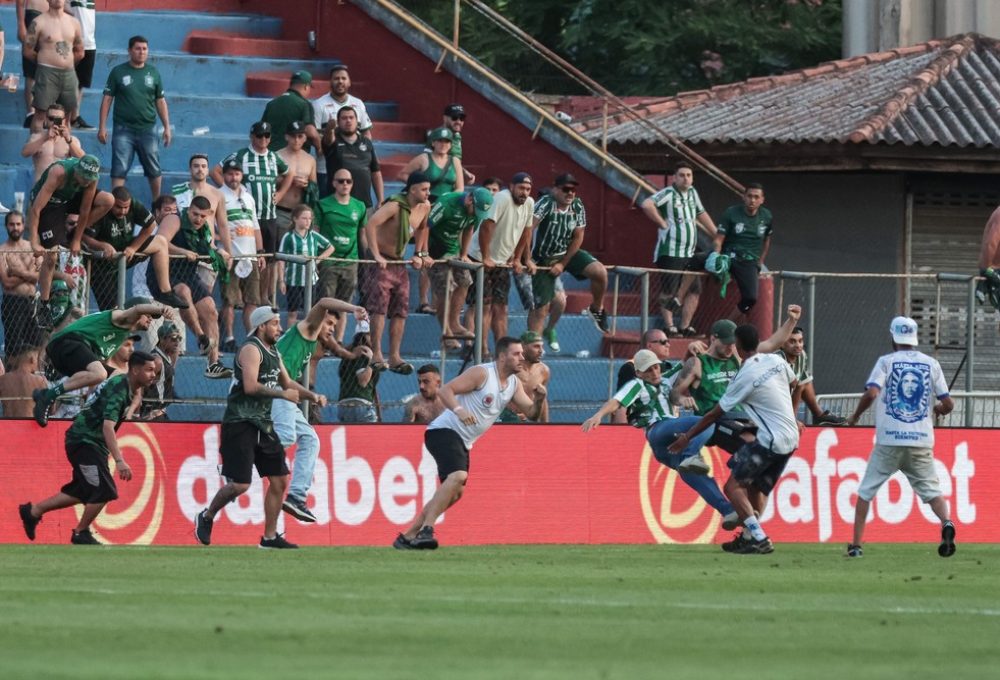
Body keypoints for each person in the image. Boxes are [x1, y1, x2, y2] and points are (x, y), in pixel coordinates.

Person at [394, 337, 546, 550]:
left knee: (455, 493)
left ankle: (408, 536)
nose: (522, 357)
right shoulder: (482, 373)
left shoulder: (513, 384)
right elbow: (446, 390)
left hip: (464, 441)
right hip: (443, 431)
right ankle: (427, 530)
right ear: (502, 356)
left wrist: (539, 400)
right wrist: (460, 411)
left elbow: (531, 414)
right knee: (458, 476)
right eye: (516, 353)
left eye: (522, 353)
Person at [194, 306, 324, 550]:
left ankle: (270, 537)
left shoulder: (273, 350)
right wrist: (283, 394)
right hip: (240, 421)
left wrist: (312, 396)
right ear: (262, 325)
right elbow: (251, 387)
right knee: (241, 485)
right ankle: (207, 515)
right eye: (275, 323)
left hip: (263, 424)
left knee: (279, 481)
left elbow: (287, 382)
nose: (280, 328)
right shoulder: (251, 349)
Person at [669, 324, 800, 554]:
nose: (730, 347)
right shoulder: (776, 361)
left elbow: (714, 414)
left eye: (733, 343)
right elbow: (795, 383)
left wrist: (687, 437)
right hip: (790, 438)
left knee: (732, 487)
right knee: (757, 487)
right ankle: (749, 536)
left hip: (767, 438)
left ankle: (758, 536)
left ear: (738, 344)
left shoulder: (744, 374)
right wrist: (788, 413)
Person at [584, 348, 739, 530]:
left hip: (666, 448)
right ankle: (690, 455)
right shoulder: (637, 385)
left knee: (695, 476)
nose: (655, 372)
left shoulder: (667, 379)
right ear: (639, 373)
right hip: (658, 429)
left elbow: (685, 365)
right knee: (706, 421)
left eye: (656, 367)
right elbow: (617, 401)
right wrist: (599, 415)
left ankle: (728, 510)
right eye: (649, 370)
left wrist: (692, 349)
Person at [18, 350, 159, 545]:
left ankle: (33, 511)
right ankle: (80, 532)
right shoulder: (120, 390)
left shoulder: (125, 385)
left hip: (86, 441)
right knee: (104, 491)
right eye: (149, 370)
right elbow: (107, 427)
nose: (154, 374)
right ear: (135, 370)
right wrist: (119, 460)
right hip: (85, 441)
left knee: (81, 492)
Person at [845, 316, 956, 558]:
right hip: (921, 440)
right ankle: (946, 522)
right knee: (932, 492)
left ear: (893, 337)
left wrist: (855, 416)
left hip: (889, 440)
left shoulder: (886, 362)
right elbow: (948, 403)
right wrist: (937, 410)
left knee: (866, 492)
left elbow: (872, 392)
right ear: (914, 338)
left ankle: (856, 546)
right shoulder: (931, 364)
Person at [274, 297, 366, 521]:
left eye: (334, 325)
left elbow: (287, 380)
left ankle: (296, 496)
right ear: (318, 320)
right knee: (286, 436)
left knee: (310, 439)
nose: (332, 329)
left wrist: (311, 395)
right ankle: (239, 458)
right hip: (271, 387)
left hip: (282, 389)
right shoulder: (307, 329)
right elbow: (324, 301)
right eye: (330, 324)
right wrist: (354, 308)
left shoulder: (312, 342)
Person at [32, 297, 174, 426]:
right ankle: (48, 395)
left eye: (151, 316)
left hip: (69, 353)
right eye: (147, 315)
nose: (150, 319)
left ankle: (93, 413)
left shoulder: (120, 336)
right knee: (99, 373)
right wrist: (161, 310)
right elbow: (137, 309)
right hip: (66, 342)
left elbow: (100, 372)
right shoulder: (121, 317)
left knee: (120, 377)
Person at [27, 154, 113, 328]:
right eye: (83, 178)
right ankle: (43, 304)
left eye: (89, 180)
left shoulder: (89, 179)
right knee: (51, 256)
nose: (86, 182)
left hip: (68, 200)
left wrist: (77, 239)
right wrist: (34, 240)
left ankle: (71, 234)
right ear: (77, 171)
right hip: (49, 205)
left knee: (108, 200)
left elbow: (85, 209)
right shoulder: (58, 172)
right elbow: (36, 209)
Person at [213, 122, 293, 303]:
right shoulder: (241, 155)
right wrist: (228, 191)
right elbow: (216, 170)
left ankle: (263, 295)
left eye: (267, 135)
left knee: (267, 259)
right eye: (259, 135)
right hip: (245, 218)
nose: (263, 139)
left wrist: (280, 194)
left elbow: (289, 174)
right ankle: (239, 296)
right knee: (244, 254)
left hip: (269, 215)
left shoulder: (274, 157)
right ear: (251, 136)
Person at [152, 195, 231, 378]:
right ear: (188, 210)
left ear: (208, 215)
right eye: (195, 214)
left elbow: (207, 247)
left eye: (203, 216)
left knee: (210, 308)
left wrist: (219, 251)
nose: (198, 219)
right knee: (184, 292)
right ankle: (201, 338)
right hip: (164, 273)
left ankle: (213, 364)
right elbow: (160, 242)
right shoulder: (175, 219)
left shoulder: (203, 228)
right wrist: (183, 252)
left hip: (187, 274)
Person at [671, 308, 801, 418]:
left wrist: (792, 321)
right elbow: (674, 393)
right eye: (726, 343)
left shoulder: (736, 356)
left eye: (733, 343)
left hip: (741, 417)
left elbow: (772, 344)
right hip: (712, 421)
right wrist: (683, 399)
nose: (730, 347)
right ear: (713, 339)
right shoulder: (697, 363)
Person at [364, 172, 433, 374]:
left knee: (401, 310)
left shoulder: (425, 207)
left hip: (399, 263)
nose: (428, 193)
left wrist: (420, 253)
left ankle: (394, 356)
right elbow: (371, 224)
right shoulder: (394, 205)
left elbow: (422, 228)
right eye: (424, 189)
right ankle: (376, 354)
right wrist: (376, 254)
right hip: (382, 262)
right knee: (379, 308)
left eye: (428, 189)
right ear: (412, 189)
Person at [641, 163, 718, 337]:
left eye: (689, 175)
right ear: (675, 177)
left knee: (694, 290)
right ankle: (670, 326)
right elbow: (647, 204)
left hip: (690, 252)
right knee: (670, 290)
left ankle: (684, 326)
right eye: (682, 175)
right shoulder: (668, 193)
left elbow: (701, 213)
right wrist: (661, 223)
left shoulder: (692, 193)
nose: (686, 179)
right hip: (670, 252)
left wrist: (715, 233)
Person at [81, 186, 187, 311]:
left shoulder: (134, 205)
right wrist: (102, 245)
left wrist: (133, 247)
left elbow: (151, 225)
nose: (123, 211)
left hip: (125, 251)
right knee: (113, 311)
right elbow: (83, 235)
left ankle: (166, 293)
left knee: (161, 242)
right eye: (119, 207)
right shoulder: (103, 210)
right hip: (103, 263)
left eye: (126, 207)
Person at [529, 173, 610, 334]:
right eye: (566, 189)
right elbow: (528, 229)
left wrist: (563, 263)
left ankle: (596, 309)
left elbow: (579, 235)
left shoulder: (577, 205)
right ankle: (532, 348)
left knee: (600, 272)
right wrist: (525, 258)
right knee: (541, 309)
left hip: (566, 252)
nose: (570, 193)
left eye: (573, 190)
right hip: (542, 258)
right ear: (555, 189)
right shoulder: (545, 203)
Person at [468, 172, 535, 357]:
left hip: (502, 262)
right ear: (512, 187)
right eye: (521, 188)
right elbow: (486, 226)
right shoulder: (502, 198)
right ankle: (481, 350)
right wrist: (486, 256)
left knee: (502, 308)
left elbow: (527, 232)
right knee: (485, 306)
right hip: (479, 258)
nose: (525, 192)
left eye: (528, 189)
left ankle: (502, 352)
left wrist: (517, 258)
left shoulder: (529, 203)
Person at [97, 35, 171, 200]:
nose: (141, 52)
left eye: (144, 49)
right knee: (119, 168)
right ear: (129, 50)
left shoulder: (154, 72)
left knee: (154, 168)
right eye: (137, 48)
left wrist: (166, 126)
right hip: (123, 129)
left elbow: (160, 100)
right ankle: (115, 203)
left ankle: (156, 203)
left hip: (148, 128)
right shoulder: (118, 72)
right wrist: (102, 126)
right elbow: (107, 99)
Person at [426, 187, 493, 348]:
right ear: (469, 199)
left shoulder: (475, 213)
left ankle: (455, 323)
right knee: (445, 289)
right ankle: (446, 330)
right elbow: (425, 226)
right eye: (474, 210)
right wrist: (422, 253)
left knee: (465, 281)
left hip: (453, 249)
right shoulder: (447, 203)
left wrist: (464, 253)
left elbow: (469, 228)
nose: (475, 214)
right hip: (435, 249)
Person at [314, 168, 366, 342]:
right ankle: (324, 340)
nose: (345, 184)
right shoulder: (323, 204)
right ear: (334, 183)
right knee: (327, 303)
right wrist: (316, 257)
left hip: (351, 261)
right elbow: (316, 231)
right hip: (329, 261)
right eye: (341, 180)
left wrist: (365, 258)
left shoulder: (359, 206)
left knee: (346, 305)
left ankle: (339, 340)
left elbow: (362, 234)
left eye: (348, 181)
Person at [218, 158, 265, 353]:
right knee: (229, 299)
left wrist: (260, 252)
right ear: (224, 175)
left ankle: (251, 337)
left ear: (241, 175)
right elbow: (214, 225)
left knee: (252, 300)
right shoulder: (219, 195)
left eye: (237, 173)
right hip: (230, 256)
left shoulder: (248, 197)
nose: (234, 177)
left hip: (250, 256)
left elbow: (255, 226)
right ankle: (228, 337)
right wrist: (222, 247)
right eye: (230, 173)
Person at [612, 329, 707, 423]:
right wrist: (622, 432)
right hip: (644, 425)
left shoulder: (666, 366)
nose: (668, 345)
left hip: (670, 423)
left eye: (668, 341)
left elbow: (678, 372)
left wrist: (691, 355)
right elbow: (622, 405)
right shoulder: (631, 367)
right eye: (663, 342)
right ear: (649, 346)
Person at [22, 0, 83, 133]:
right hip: (46, 73)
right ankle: (38, 151)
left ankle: (64, 151)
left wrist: (67, 62)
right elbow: (27, 50)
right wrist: (45, 61)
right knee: (40, 116)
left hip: (69, 74)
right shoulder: (38, 22)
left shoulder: (74, 23)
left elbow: (80, 51)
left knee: (66, 118)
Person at [713, 183, 772, 320]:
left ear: (762, 199)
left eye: (756, 197)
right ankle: (677, 299)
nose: (752, 200)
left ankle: (728, 323)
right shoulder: (731, 213)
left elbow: (766, 240)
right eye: (749, 196)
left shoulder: (767, 216)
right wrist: (716, 257)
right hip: (728, 256)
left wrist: (760, 260)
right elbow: (718, 239)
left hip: (749, 261)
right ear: (743, 197)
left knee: (750, 298)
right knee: (693, 261)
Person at [776, 327, 846, 426]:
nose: (798, 345)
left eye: (800, 341)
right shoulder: (777, 360)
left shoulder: (802, 355)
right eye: (792, 341)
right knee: (800, 384)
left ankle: (819, 416)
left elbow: (803, 383)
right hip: (773, 404)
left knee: (804, 382)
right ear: (782, 344)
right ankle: (793, 420)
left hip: (786, 400)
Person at [276, 205, 333, 326]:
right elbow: (280, 259)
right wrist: (281, 280)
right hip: (294, 281)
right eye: (304, 218)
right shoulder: (289, 237)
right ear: (295, 219)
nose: (308, 221)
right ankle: (291, 338)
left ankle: (307, 338)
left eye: (310, 218)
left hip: (311, 281)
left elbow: (330, 247)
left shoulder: (313, 236)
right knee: (293, 313)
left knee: (311, 312)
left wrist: (317, 260)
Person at [0, 211, 45, 359]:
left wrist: (18, 271)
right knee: (13, 347)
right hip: (13, 302)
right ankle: (13, 378)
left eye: (18, 224)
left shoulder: (32, 248)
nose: (15, 228)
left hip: (34, 301)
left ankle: (37, 377)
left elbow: (39, 277)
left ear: (23, 225)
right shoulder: (2, 251)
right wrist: (29, 275)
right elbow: (6, 282)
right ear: (6, 226)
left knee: (39, 344)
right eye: (12, 224)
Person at [321, 106, 382, 207]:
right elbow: (327, 140)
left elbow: (376, 173)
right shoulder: (333, 141)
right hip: (338, 205)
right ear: (338, 122)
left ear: (357, 121)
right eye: (344, 118)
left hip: (364, 205)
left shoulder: (366, 143)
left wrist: (380, 199)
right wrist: (330, 129)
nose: (348, 121)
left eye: (351, 117)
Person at [275, 121, 318, 244]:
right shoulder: (277, 156)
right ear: (286, 137)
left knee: (300, 249)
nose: (296, 140)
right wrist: (287, 180)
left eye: (300, 136)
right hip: (282, 210)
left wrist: (307, 185)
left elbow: (315, 187)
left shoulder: (310, 160)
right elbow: (269, 182)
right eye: (293, 136)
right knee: (281, 249)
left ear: (305, 138)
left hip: (301, 213)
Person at [20, 102, 85, 181]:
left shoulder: (72, 140)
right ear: (46, 119)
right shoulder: (37, 137)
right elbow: (24, 153)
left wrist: (69, 141)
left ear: (64, 120)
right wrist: (45, 137)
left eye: (58, 119)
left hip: (61, 189)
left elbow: (83, 160)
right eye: (51, 118)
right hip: (40, 188)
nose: (54, 122)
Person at [261, 70, 322, 153]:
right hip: (293, 157)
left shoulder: (271, 104)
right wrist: (319, 148)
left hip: (272, 155)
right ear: (306, 87)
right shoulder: (304, 104)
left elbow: (263, 130)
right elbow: (310, 131)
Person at [398, 127, 464, 202]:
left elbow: (460, 188)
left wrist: (448, 199)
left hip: (447, 202)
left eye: (447, 142)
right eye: (440, 141)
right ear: (433, 143)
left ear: (451, 144)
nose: (443, 145)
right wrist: (418, 187)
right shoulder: (423, 158)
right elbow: (402, 175)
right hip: (427, 201)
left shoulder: (455, 161)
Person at [499, 330, 550, 423]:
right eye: (536, 346)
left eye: (542, 346)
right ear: (523, 347)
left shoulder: (544, 370)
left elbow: (542, 399)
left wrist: (545, 424)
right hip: (504, 418)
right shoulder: (509, 368)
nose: (541, 351)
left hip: (529, 418)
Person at [313, 64, 373, 138]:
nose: (340, 81)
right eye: (336, 79)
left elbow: (366, 133)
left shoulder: (358, 103)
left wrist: (367, 148)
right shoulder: (318, 104)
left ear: (349, 82)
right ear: (330, 82)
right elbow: (316, 135)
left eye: (344, 78)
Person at [15, 1, 49, 127]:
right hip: (33, 14)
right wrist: (21, 24)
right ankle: (31, 113)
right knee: (31, 70)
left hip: (52, 19)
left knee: (48, 68)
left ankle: (44, 113)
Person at [338, 321, 378, 423]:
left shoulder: (349, 354)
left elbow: (372, 386)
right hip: (360, 404)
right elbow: (363, 381)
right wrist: (371, 361)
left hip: (344, 404)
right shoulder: (363, 353)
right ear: (363, 337)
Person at [426, 103, 475, 185]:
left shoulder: (457, 135)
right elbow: (429, 159)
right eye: (454, 118)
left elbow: (452, 159)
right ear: (445, 118)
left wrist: (463, 172)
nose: (458, 121)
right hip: (439, 184)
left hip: (452, 181)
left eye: (462, 118)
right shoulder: (437, 135)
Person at [67, 0, 96, 129]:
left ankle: (75, 117)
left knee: (81, 83)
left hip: (90, 42)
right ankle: (59, 116)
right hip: (72, 42)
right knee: (66, 81)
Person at [0, 347, 49, 418]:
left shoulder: (3, 380)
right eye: (37, 359)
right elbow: (51, 410)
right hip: (30, 424)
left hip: (9, 423)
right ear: (32, 359)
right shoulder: (40, 380)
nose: (39, 363)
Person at [146, 321, 181, 420]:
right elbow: (141, 386)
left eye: (179, 338)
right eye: (173, 338)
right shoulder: (156, 360)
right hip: (153, 414)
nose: (177, 342)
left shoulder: (167, 357)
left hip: (160, 411)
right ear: (162, 339)